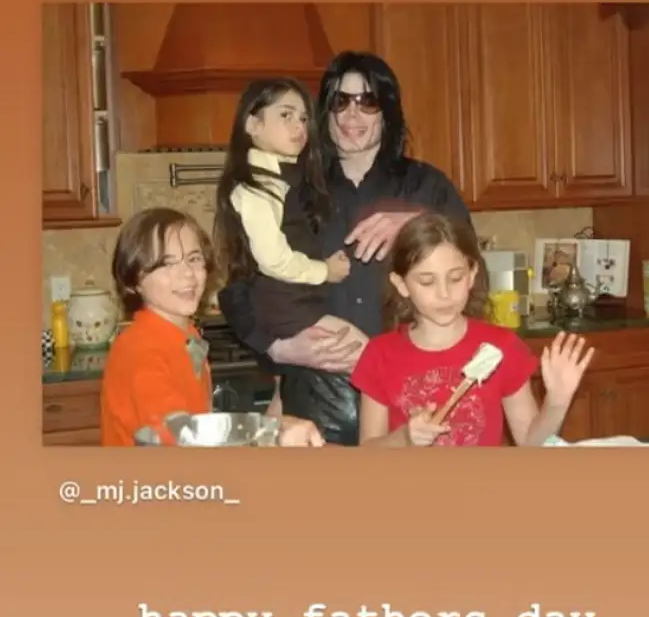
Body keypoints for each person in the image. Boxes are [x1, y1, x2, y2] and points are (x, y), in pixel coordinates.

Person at [219, 52, 472, 444]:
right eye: (341, 101)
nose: (352, 114)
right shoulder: (289, 187)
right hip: (316, 401)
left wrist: (416, 222)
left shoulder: (427, 186)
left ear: (386, 111)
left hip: (411, 399)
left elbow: (471, 265)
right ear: (325, 112)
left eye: (367, 101)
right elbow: (239, 286)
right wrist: (278, 347)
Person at [351, 212, 594, 447]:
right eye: (427, 281)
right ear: (401, 284)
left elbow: (532, 445)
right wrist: (405, 438)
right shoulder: (379, 354)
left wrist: (556, 403)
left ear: (471, 275)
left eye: (455, 278)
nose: (444, 294)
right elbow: (368, 454)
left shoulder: (503, 346)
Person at [101, 207, 325, 447]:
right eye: (166, 264)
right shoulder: (140, 350)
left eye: (194, 259)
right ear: (134, 280)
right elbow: (179, 433)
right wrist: (270, 432)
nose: (187, 274)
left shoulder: (184, 334)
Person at [213, 78, 365, 363]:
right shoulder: (258, 186)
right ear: (253, 125)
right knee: (371, 361)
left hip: (296, 303)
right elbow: (272, 259)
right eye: (286, 115)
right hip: (287, 306)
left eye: (304, 118)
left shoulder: (286, 178)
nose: (299, 126)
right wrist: (325, 271)